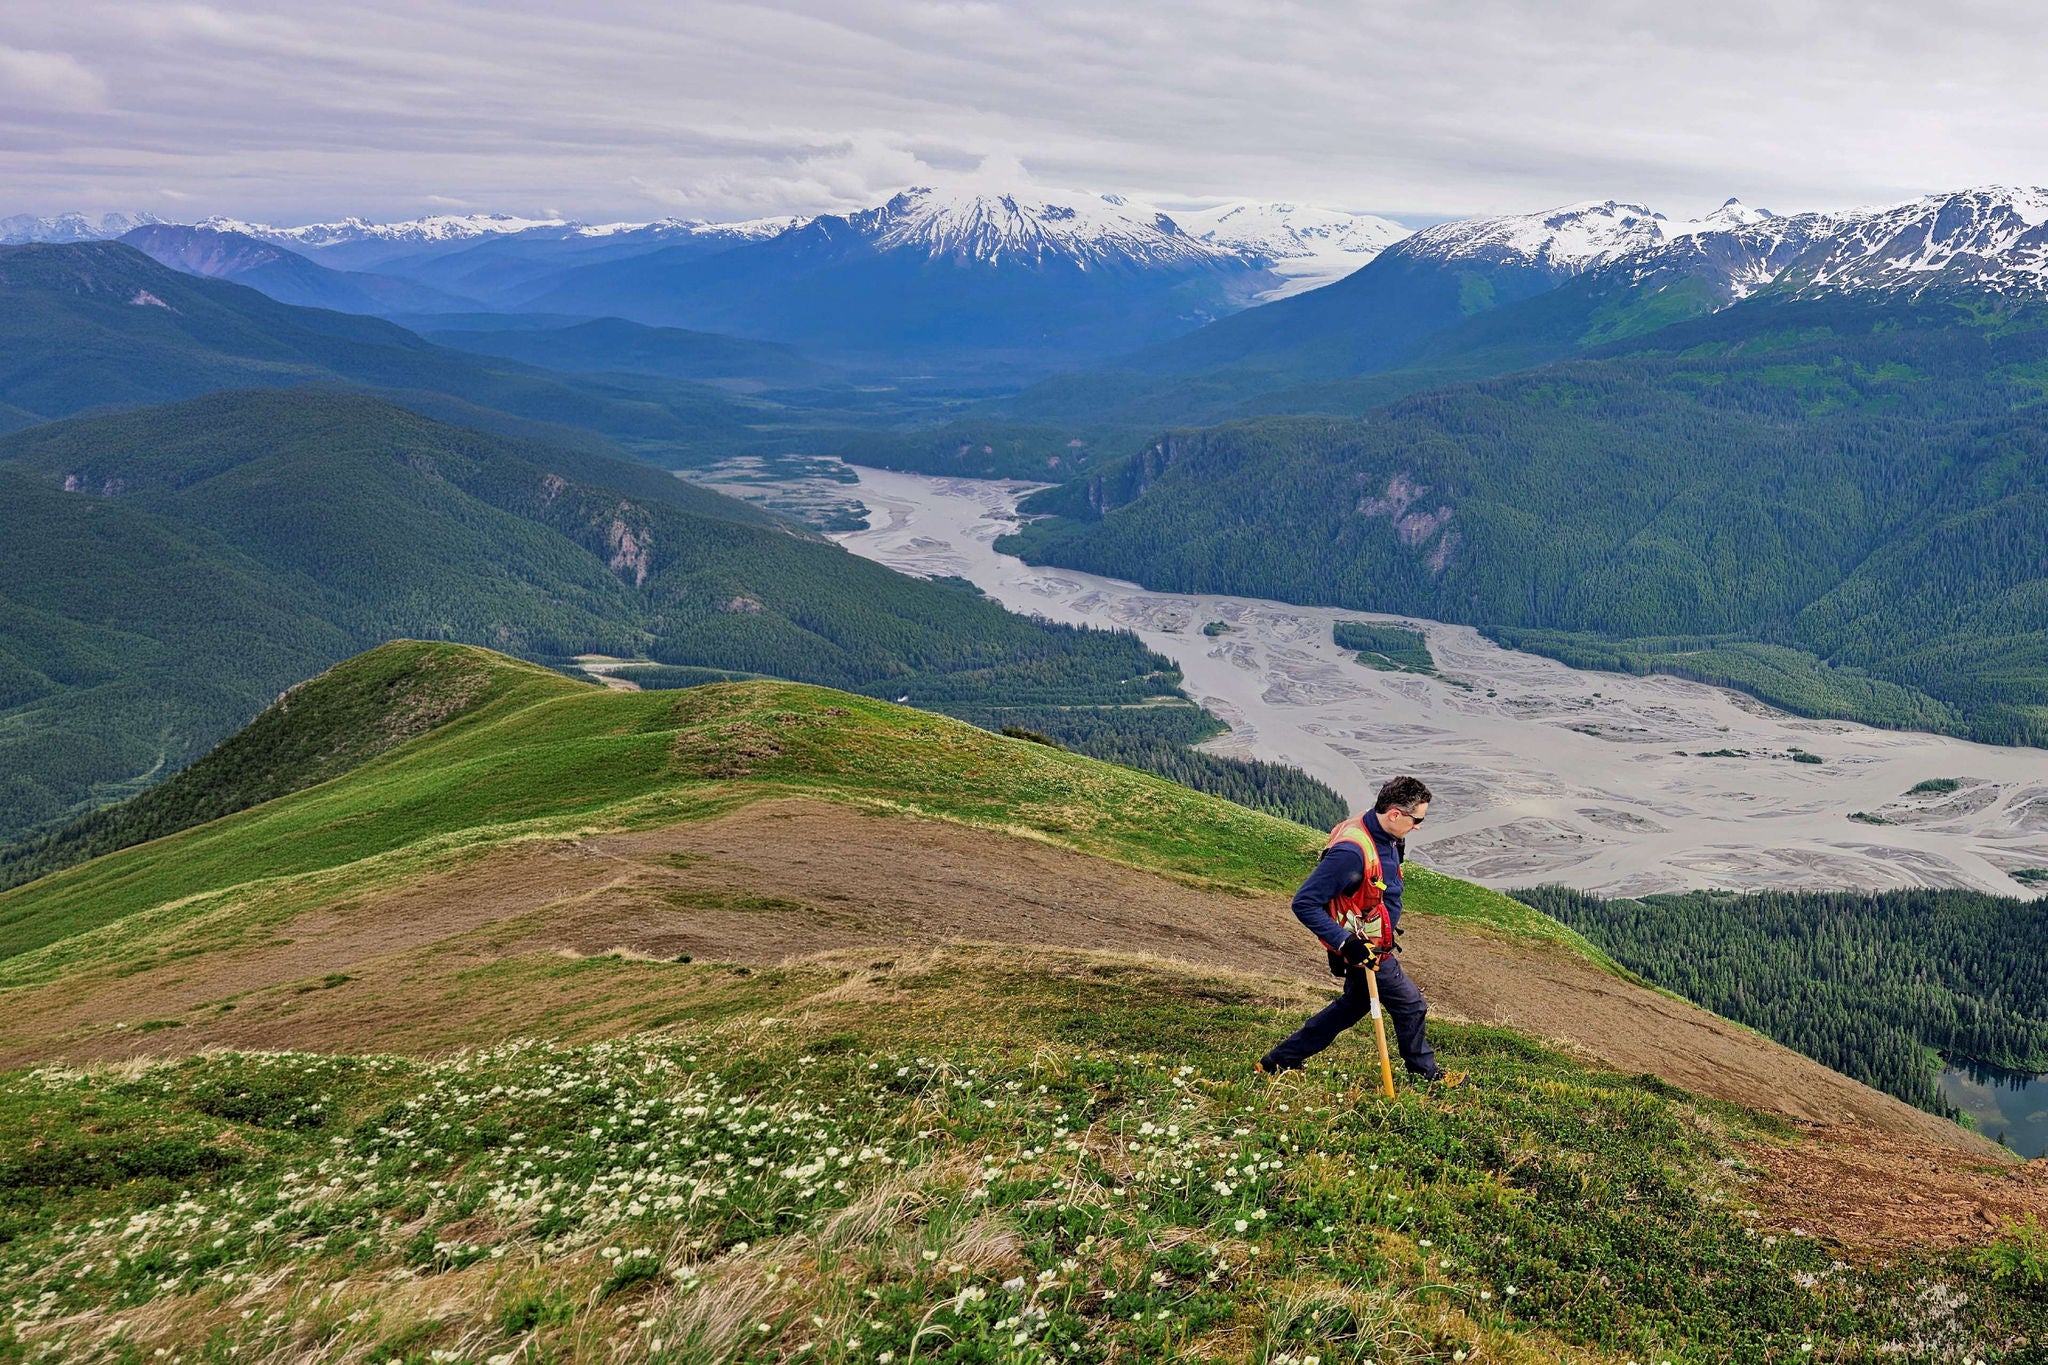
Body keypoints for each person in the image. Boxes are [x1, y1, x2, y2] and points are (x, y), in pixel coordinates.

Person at [1257, 775, 1466, 1086]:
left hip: (1370, 940)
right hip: (1365, 949)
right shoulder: (1351, 853)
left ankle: (1278, 1061)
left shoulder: (1385, 832)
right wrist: (1347, 944)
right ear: (1395, 813)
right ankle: (1425, 1074)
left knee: (1350, 1008)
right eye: (1417, 819)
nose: (1419, 826)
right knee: (1411, 1005)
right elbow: (1304, 903)